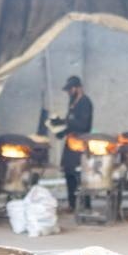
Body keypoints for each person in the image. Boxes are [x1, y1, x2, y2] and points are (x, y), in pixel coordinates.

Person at [49, 75, 93, 210]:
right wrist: (60, 129)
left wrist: (65, 122)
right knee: (69, 173)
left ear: (77, 88)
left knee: (81, 175)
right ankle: (72, 204)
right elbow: (69, 122)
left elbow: (83, 125)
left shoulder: (85, 102)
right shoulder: (72, 102)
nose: (68, 92)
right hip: (70, 143)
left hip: (80, 144)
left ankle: (86, 205)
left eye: (70, 89)